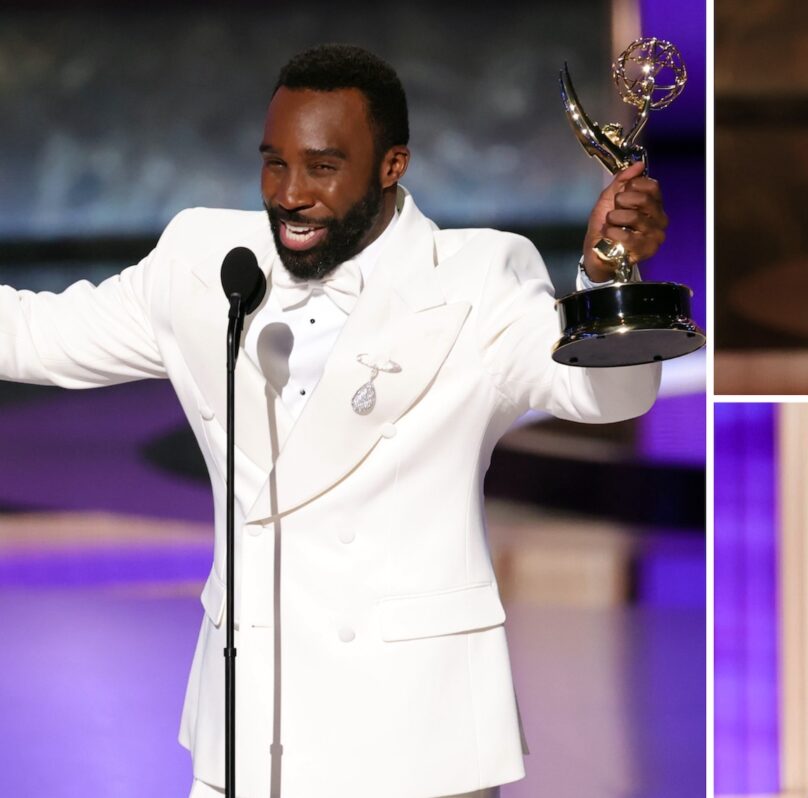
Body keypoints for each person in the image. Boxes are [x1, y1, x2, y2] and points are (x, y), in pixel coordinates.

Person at [0, 44, 671, 798]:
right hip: (248, 728)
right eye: (274, 164)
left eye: (321, 167)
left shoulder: (477, 279)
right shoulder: (204, 263)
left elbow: (603, 396)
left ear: (392, 166)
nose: (290, 194)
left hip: (415, 741)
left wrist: (607, 279)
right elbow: (33, 335)